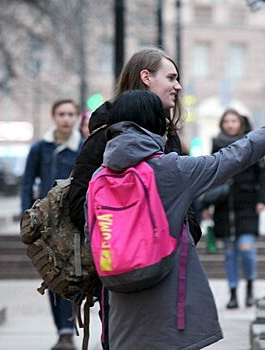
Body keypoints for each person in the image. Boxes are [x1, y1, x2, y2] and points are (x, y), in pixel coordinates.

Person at [96, 89, 265, 349]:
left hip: (120, 312)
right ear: (156, 123)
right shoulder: (170, 170)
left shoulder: (99, 178)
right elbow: (231, 157)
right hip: (166, 309)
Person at [67, 47, 194, 350]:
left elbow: (185, 200)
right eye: (171, 77)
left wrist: (183, 236)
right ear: (146, 77)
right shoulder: (104, 136)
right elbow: (77, 203)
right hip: (124, 278)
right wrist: (130, 236)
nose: (177, 86)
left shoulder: (168, 136)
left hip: (167, 272)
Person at [20, 99, 83, 350]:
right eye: (61, 114)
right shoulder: (40, 149)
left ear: (77, 117)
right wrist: (26, 220)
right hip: (46, 224)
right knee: (52, 274)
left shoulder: (82, 147)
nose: (66, 119)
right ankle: (64, 332)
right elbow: (27, 184)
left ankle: (69, 327)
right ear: (54, 116)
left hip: (74, 222)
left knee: (75, 273)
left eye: (70, 114)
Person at [207, 109, 265, 309]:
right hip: (224, 206)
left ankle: (250, 286)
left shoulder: (251, 143)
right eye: (227, 121)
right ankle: (233, 292)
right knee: (229, 253)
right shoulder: (217, 145)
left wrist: (262, 199)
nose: (230, 124)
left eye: (234, 121)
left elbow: (263, 174)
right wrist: (207, 203)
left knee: (247, 249)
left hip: (247, 204)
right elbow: (209, 175)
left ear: (241, 123)